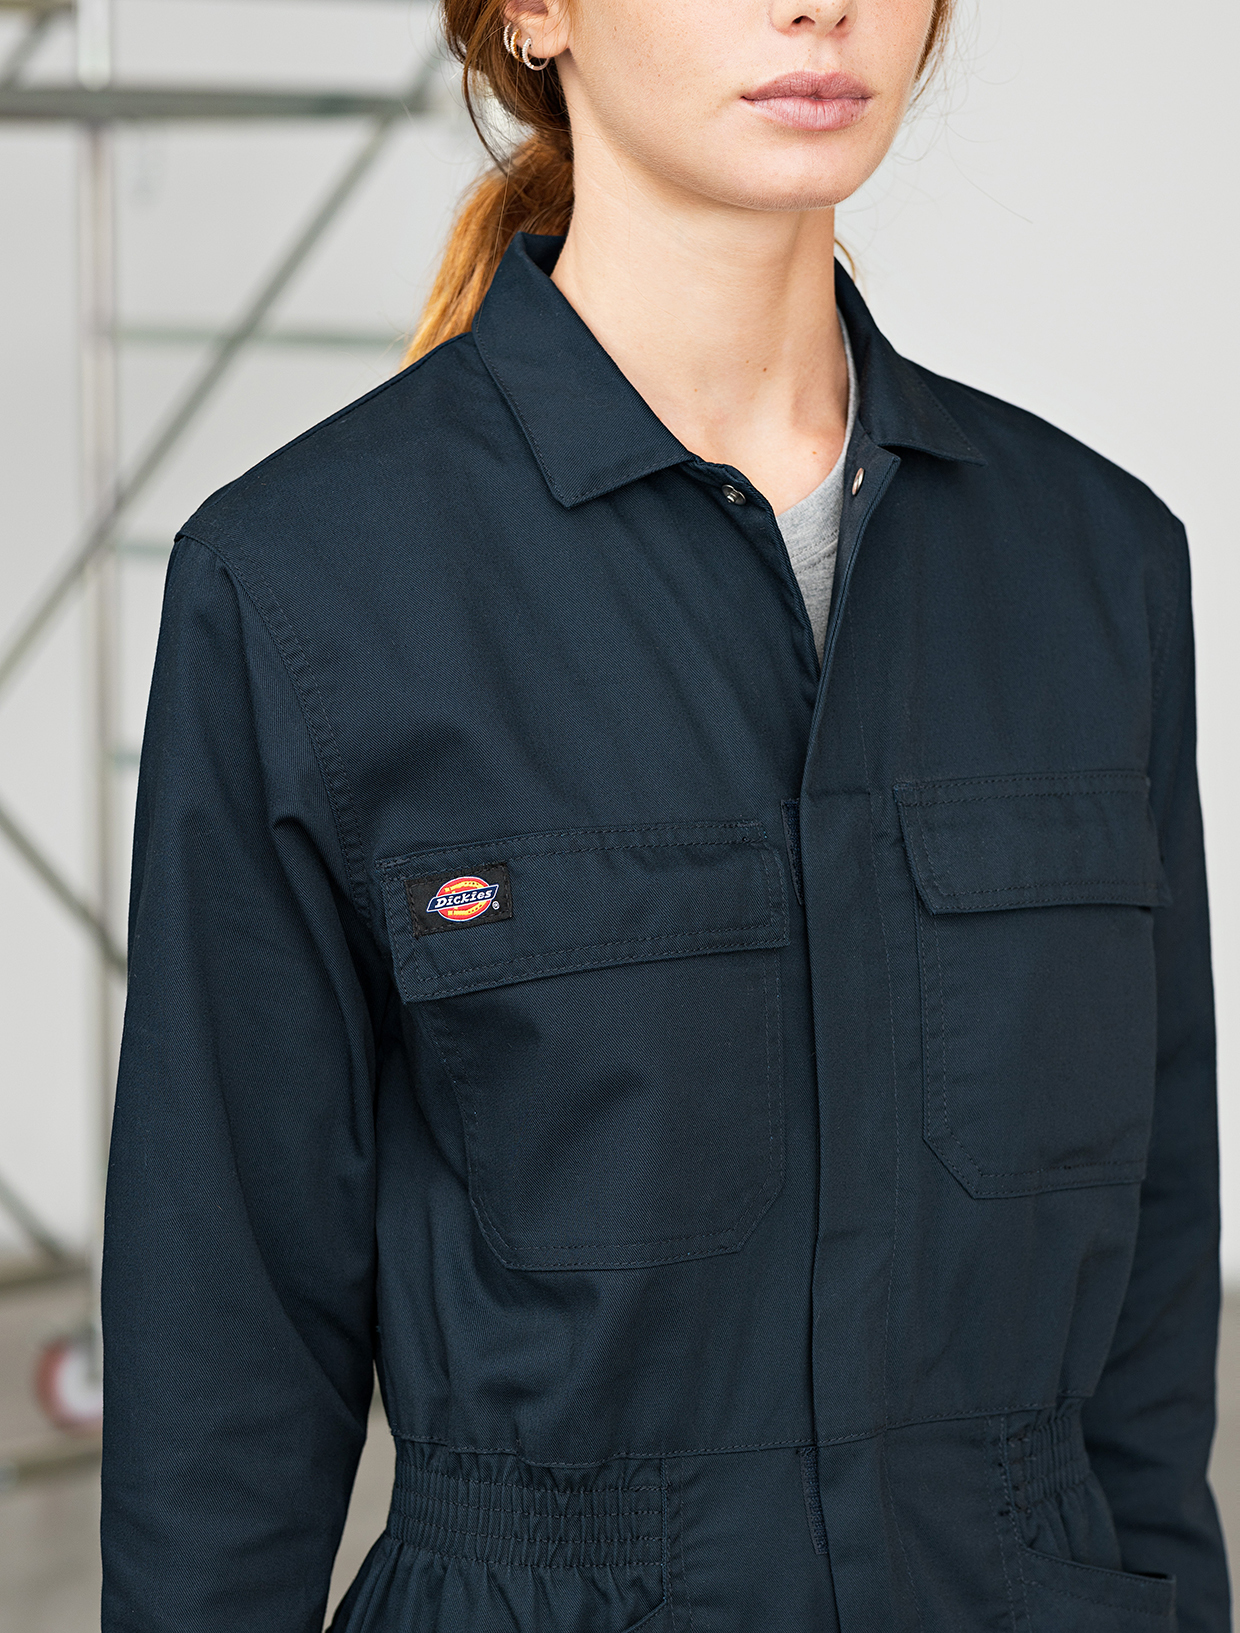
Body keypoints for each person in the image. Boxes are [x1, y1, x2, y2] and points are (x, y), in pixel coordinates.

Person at [100, 0, 1228, 1629]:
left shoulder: (1095, 569)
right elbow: (224, 1366)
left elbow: (1152, 1323)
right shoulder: (307, 592)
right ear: (535, 14)